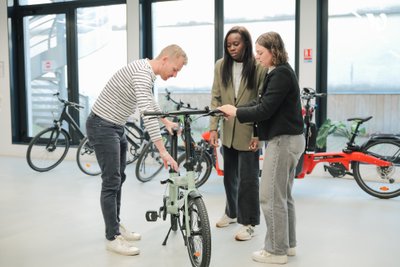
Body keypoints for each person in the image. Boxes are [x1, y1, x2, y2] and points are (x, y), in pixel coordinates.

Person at [86, 44, 187, 256]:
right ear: (165, 59)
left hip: (115, 125)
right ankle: (112, 237)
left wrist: (166, 121)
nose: (175, 75)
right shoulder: (142, 73)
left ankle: (115, 225)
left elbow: (150, 103)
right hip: (103, 126)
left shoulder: (147, 72)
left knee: (119, 177)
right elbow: (146, 113)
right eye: (175, 69)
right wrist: (163, 151)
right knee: (111, 180)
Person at [218, 31, 305, 264]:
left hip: (284, 141)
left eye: (260, 53)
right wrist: (234, 108)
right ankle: (288, 245)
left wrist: (236, 112)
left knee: (269, 197)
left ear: (273, 51)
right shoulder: (277, 72)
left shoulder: (281, 74)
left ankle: (276, 251)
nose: (257, 57)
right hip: (290, 140)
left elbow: (265, 109)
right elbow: (261, 102)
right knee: (283, 196)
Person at [209, 26, 267, 241]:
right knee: (229, 177)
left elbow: (263, 103)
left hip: (249, 132)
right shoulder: (220, 65)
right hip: (228, 132)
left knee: (248, 180)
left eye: (236, 43)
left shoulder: (258, 67)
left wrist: (258, 134)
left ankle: (249, 222)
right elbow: (216, 97)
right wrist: (213, 127)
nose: (232, 48)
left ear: (246, 43)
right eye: (229, 45)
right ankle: (232, 213)